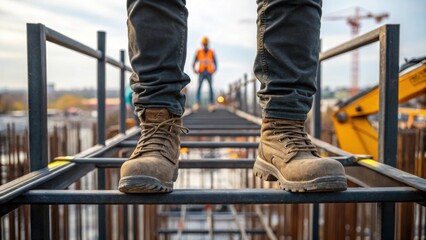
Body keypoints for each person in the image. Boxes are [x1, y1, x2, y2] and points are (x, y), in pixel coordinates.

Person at [119, 0, 347, 193]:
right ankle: (158, 126)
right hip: (203, 73)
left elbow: (213, 61)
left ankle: (284, 126)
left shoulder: (208, 51)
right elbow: (201, 61)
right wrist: (200, 68)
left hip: (208, 73)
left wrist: (209, 69)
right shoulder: (202, 50)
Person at [192, 36, 217, 112]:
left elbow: (215, 62)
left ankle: (211, 103)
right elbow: (194, 61)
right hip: (201, 72)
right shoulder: (199, 52)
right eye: (204, 44)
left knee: (210, 88)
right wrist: (194, 69)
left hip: (209, 72)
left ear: (207, 44)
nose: (205, 45)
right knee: (199, 87)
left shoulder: (211, 52)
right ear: (202, 44)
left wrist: (214, 70)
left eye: (206, 44)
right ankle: (197, 103)